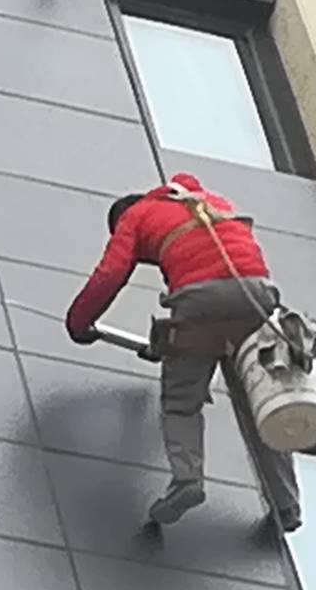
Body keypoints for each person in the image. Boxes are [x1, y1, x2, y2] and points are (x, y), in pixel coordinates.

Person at [66, 172, 303, 531]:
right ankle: (286, 505)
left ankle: (187, 482)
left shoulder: (135, 216)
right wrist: (167, 346)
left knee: (181, 401)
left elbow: (111, 273)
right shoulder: (207, 200)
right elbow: (225, 263)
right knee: (258, 402)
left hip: (201, 299)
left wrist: (79, 322)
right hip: (257, 295)